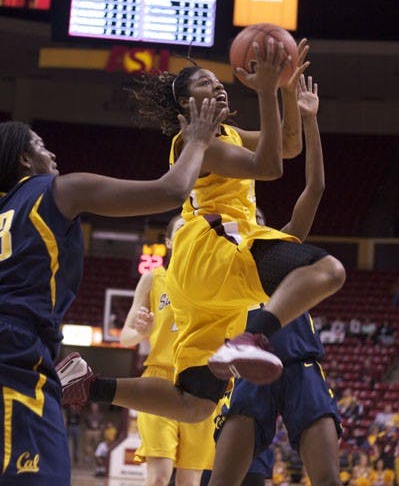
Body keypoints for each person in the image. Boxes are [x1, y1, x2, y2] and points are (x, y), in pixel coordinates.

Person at [58, 38, 345, 425]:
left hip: (200, 276)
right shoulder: (197, 141)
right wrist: (265, 92)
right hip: (215, 249)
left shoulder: (227, 134)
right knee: (326, 270)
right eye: (206, 83)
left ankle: (88, 385)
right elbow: (270, 167)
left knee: (194, 404)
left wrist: (288, 94)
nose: (219, 85)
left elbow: (289, 147)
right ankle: (253, 337)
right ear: (186, 104)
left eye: (218, 80)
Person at [0, 100, 224, 484]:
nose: (50, 152)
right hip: (15, 356)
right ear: (23, 159)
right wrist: (198, 142)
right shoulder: (57, 190)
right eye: (39, 145)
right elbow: (172, 190)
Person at [206, 75, 342, 486]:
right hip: (249, 375)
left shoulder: (280, 251)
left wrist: (309, 120)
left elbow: (315, 187)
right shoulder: (224, 265)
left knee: (328, 479)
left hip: (301, 367)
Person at [119, 214, 216, 486]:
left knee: (189, 481)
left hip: (201, 383)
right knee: (159, 479)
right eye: (182, 231)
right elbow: (126, 338)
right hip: (159, 379)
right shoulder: (153, 279)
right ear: (170, 241)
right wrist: (141, 330)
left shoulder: (213, 282)